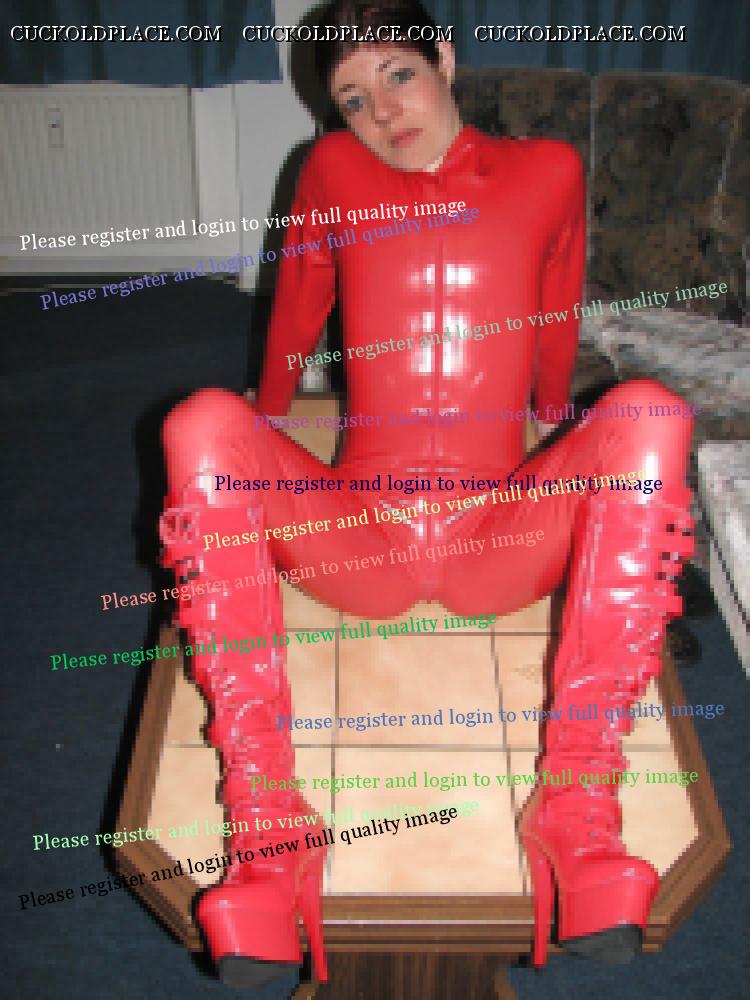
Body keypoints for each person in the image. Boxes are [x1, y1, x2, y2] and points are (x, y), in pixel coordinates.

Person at [159, 0, 694, 987]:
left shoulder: (549, 169)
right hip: (360, 541)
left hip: (498, 538)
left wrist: (556, 422)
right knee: (199, 421)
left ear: (444, 57)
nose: (383, 112)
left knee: (650, 412)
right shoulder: (331, 169)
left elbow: (559, 299)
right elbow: (301, 293)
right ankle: (268, 828)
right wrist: (260, 421)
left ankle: (576, 804)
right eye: (353, 100)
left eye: (397, 75)